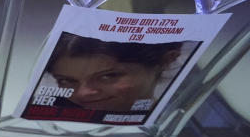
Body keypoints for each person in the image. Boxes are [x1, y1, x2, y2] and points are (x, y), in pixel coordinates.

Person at [44, 33, 183, 112]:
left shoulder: (176, 119)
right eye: (66, 80)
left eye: (108, 76)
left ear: (166, 61)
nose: (82, 93)